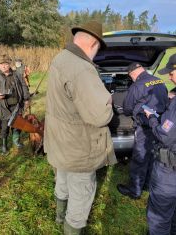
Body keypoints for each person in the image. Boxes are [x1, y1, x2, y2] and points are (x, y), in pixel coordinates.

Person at [44, 21, 117, 235]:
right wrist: (109, 100)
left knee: (64, 178)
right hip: (80, 146)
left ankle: (59, 216)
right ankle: (72, 228)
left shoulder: (61, 58)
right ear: (94, 43)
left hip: (61, 140)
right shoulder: (82, 68)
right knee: (82, 194)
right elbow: (100, 115)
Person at [117, 62, 169, 199]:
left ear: (132, 74)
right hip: (158, 125)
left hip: (145, 127)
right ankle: (146, 185)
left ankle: (135, 190)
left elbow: (127, 108)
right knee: (152, 156)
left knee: (140, 157)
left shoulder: (137, 86)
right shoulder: (159, 81)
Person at [144, 53, 176, 235]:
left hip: (169, 173)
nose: (169, 77)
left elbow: (165, 135)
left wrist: (152, 119)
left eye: (171, 73)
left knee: (158, 218)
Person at [0, 54, 30, 154]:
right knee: (3, 127)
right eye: (1, 64)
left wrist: (26, 99)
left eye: (6, 64)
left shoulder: (17, 74)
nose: (4, 66)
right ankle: (4, 145)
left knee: (17, 124)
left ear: (9, 64)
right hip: (2, 107)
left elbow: (24, 87)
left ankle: (16, 140)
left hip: (17, 106)